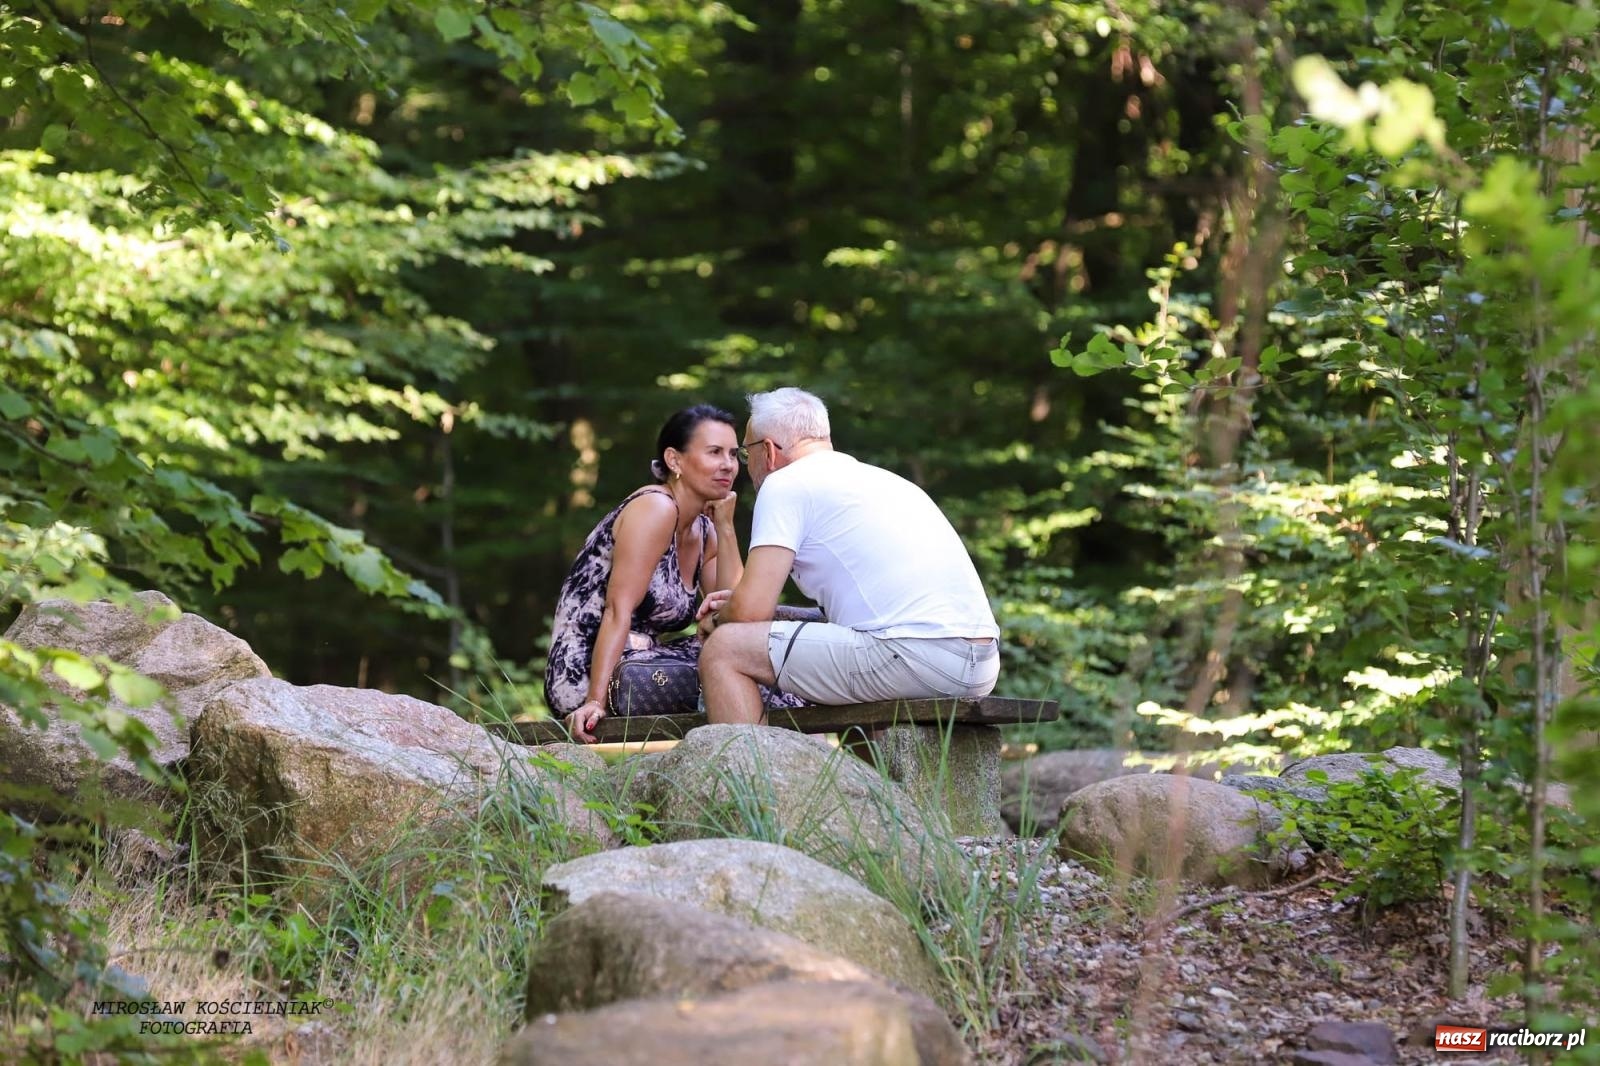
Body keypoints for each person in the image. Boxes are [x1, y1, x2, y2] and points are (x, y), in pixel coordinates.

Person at [695, 387, 1000, 723]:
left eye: (744, 452)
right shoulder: (886, 481)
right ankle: (866, 779)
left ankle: (751, 775)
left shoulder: (785, 484)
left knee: (725, 649)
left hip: (914, 654)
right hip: (979, 665)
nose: (743, 465)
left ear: (767, 450)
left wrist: (718, 620)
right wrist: (776, 613)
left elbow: (750, 613)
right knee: (831, 661)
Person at [543, 404, 800, 744]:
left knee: (758, 654)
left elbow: (737, 614)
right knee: (762, 673)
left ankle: (768, 765)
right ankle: (759, 768)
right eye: (713, 452)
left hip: (645, 665)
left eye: (733, 453)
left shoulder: (704, 528)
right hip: (589, 670)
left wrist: (724, 526)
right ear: (674, 460)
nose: (727, 464)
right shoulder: (655, 508)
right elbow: (616, 610)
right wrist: (594, 701)